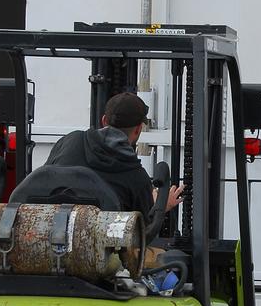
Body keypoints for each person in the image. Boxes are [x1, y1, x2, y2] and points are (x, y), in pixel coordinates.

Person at [46, 91, 184, 219]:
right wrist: (160, 206)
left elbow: (46, 177)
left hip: (48, 233)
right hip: (100, 244)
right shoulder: (137, 177)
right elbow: (141, 232)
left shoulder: (69, 141)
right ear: (138, 129)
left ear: (104, 120)